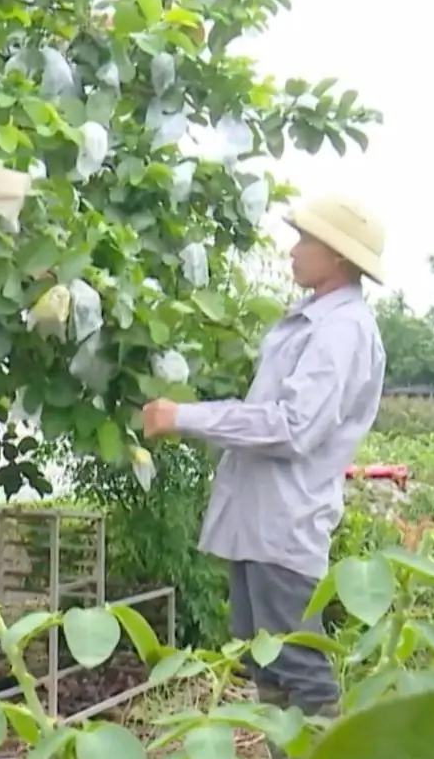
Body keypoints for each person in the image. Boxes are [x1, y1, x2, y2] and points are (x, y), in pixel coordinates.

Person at [141, 195, 387, 717]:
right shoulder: (314, 320)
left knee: (297, 665)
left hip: (285, 523)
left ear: (338, 256)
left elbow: (293, 426)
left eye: (306, 240)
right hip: (262, 522)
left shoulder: (341, 329)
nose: (293, 251)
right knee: (266, 661)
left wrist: (186, 417)